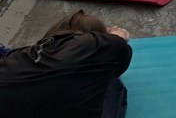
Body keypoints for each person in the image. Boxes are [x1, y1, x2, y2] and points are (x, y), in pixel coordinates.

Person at [0, 9, 132, 118]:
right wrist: (114, 37)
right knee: (112, 83)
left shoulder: (16, 57)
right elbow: (119, 45)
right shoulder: (95, 46)